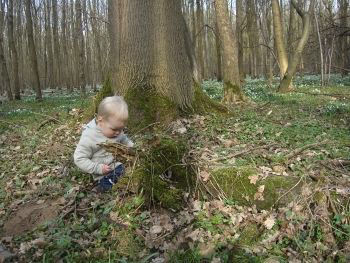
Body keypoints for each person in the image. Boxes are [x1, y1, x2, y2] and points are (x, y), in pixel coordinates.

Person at [74, 96, 134, 192]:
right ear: (100, 121)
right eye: (114, 129)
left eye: (121, 129)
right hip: (103, 173)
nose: (118, 133)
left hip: (117, 164)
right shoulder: (90, 137)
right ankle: (103, 186)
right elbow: (79, 159)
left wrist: (133, 148)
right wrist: (98, 168)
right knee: (121, 172)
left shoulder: (116, 131)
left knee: (129, 168)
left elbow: (124, 140)